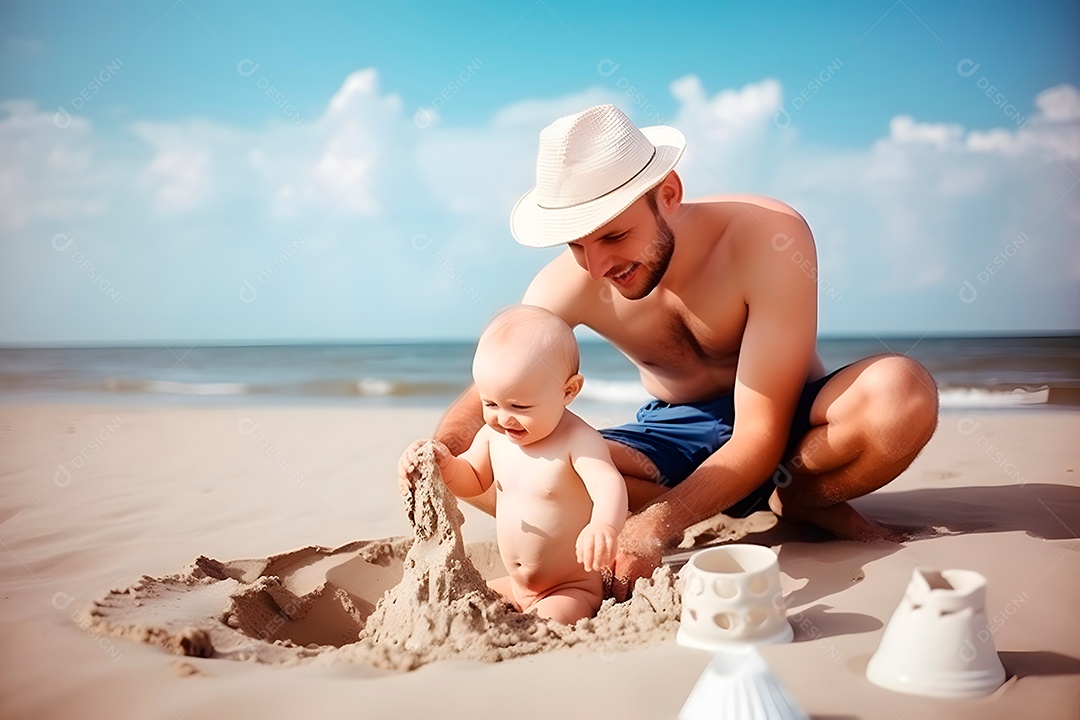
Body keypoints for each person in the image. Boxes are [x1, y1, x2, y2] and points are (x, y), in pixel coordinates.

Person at [431, 104, 939, 601]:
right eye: (577, 246)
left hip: (791, 424)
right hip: (674, 435)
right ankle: (726, 501)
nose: (597, 265)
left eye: (614, 234)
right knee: (526, 460)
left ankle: (798, 499)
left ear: (669, 193)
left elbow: (759, 434)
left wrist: (656, 525)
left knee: (901, 394)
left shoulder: (765, 235)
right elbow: (495, 391)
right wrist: (437, 457)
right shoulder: (567, 285)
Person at [398, 304, 628, 625]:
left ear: (568, 391)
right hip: (516, 585)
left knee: (545, 623)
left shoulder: (579, 440)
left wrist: (604, 525)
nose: (503, 418)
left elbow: (608, 484)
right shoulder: (494, 437)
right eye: (490, 403)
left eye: (519, 406)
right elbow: (474, 479)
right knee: (465, 606)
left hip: (569, 588)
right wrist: (445, 464)